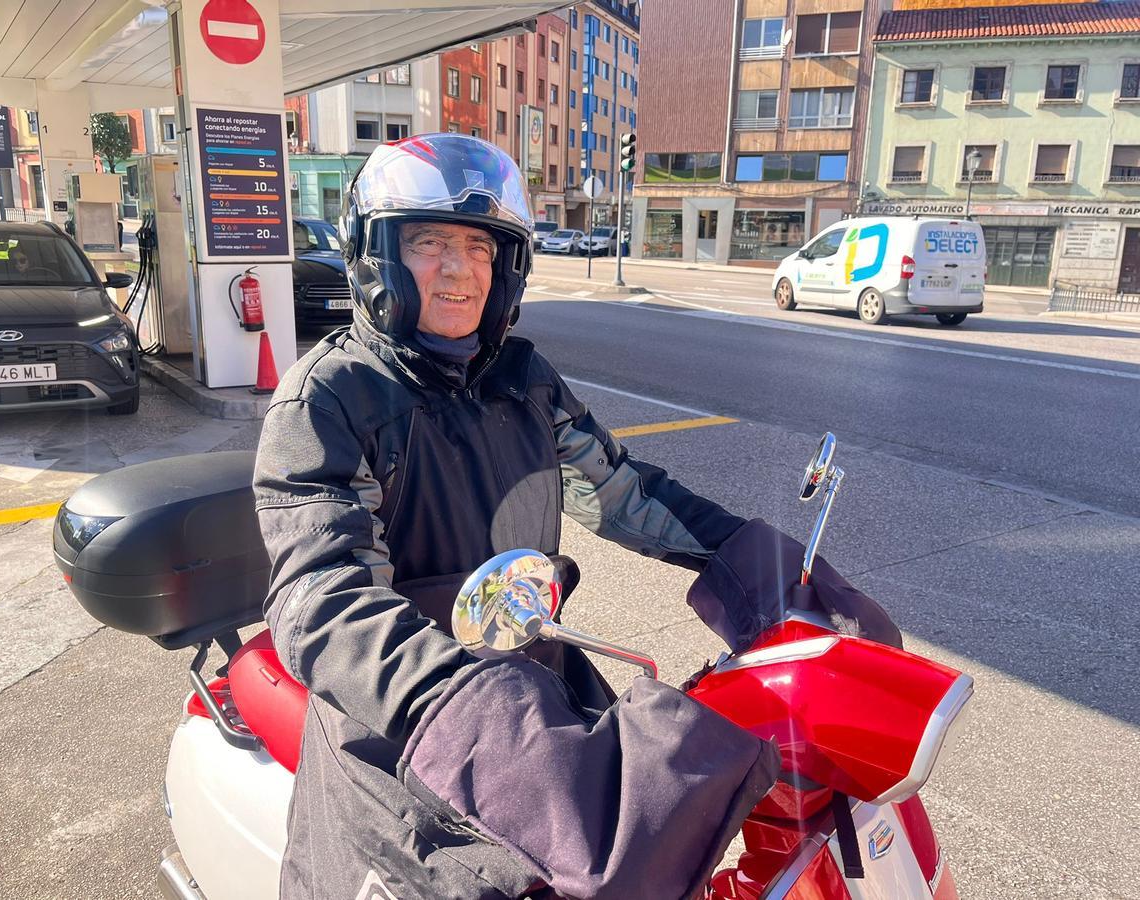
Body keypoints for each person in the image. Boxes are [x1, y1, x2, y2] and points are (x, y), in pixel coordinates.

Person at [253, 134, 893, 900]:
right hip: (403, 734)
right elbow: (322, 599)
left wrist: (763, 567)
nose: (459, 269)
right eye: (428, 243)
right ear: (377, 256)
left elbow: (621, 493)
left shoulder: (521, 381)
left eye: (480, 250)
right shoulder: (329, 397)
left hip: (530, 702)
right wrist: (478, 711)